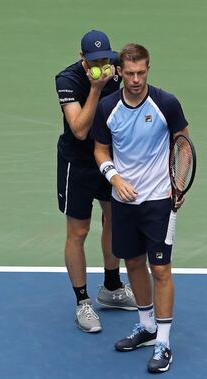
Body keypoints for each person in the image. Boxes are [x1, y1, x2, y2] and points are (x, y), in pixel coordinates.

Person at [92, 43, 189, 373]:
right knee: (132, 262)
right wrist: (114, 178)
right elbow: (101, 150)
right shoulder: (107, 107)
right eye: (130, 73)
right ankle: (147, 327)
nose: (135, 79)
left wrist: (179, 180)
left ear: (148, 69)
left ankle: (163, 341)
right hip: (124, 202)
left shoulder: (165, 103)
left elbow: (183, 144)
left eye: (141, 72)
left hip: (159, 200)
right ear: (119, 71)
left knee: (160, 269)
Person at [55, 30, 137, 333]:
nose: (101, 64)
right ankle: (82, 302)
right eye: (93, 61)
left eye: (105, 59)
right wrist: (95, 87)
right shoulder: (67, 80)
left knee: (114, 218)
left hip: (107, 158)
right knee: (79, 230)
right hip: (77, 164)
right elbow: (78, 129)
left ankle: (112, 288)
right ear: (82, 60)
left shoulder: (118, 69)